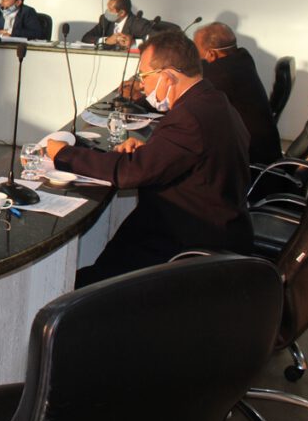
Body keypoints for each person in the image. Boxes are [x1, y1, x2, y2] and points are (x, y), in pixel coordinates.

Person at [45, 30, 253, 287]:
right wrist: (152, 150)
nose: (141, 85)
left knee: (78, 286)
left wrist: (63, 154)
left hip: (187, 245)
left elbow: (128, 173)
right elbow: (192, 158)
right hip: (213, 226)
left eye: (144, 76)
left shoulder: (189, 117)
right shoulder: (213, 100)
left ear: (168, 76)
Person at [194, 22, 282, 166]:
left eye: (197, 52)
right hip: (263, 148)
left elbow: (194, 98)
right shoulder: (243, 57)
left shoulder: (221, 74)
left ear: (211, 54)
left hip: (250, 159)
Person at [81, 0, 152, 48]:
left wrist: (134, 42)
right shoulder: (105, 20)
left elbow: (156, 40)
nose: (107, 12)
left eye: (111, 10)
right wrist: (106, 40)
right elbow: (86, 38)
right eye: (107, 8)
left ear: (122, 13)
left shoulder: (139, 24)